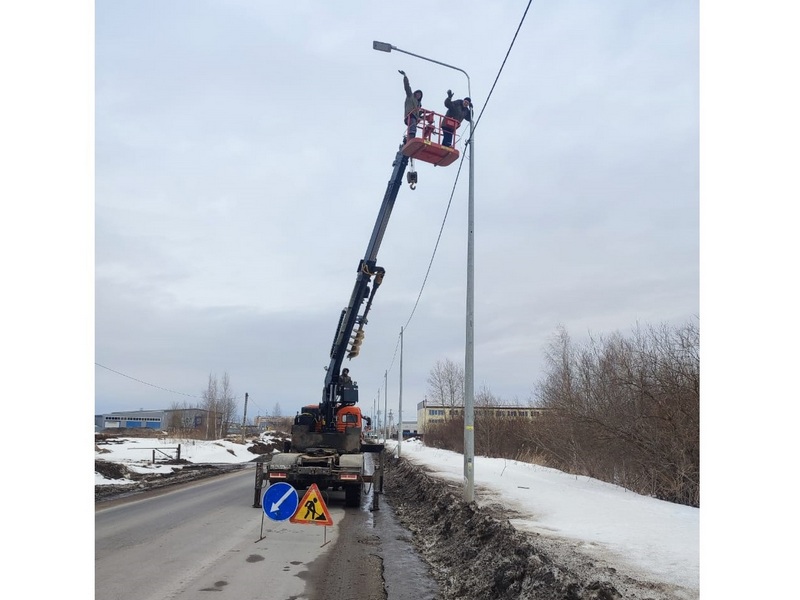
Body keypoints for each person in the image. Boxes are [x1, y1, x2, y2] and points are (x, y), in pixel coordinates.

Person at [399, 70, 423, 141]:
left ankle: (409, 138)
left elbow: (418, 114)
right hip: (409, 115)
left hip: (415, 117)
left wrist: (423, 115)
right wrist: (405, 76)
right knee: (412, 122)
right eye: (418, 94)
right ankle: (411, 137)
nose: (418, 95)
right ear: (415, 93)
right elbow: (407, 87)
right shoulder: (410, 96)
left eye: (420, 95)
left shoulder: (418, 105)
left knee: (414, 124)